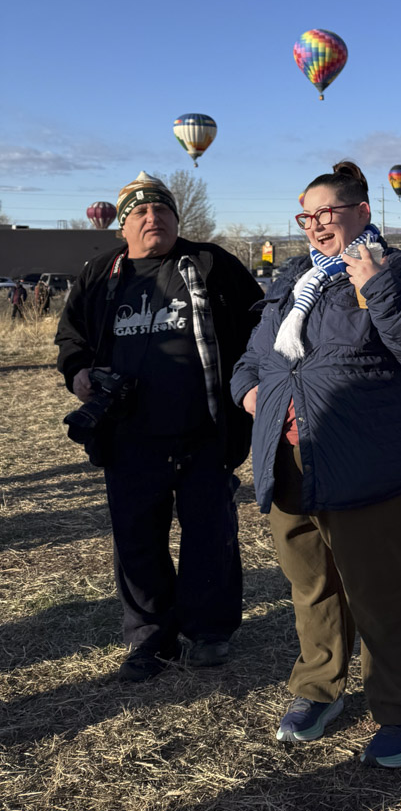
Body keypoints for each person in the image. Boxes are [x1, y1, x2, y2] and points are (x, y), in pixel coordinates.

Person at [231, 161, 401, 765]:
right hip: (288, 461)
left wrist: (378, 284)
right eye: (306, 216)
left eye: (327, 214)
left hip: (369, 462)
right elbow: (253, 358)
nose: (315, 227)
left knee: (382, 595)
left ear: (364, 212)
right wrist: (250, 394)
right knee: (311, 585)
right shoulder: (293, 280)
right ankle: (319, 687)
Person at [55, 172, 260, 682]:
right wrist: (77, 371)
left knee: (209, 537)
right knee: (137, 543)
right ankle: (151, 641)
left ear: (176, 217)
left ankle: (209, 633)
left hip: (204, 432)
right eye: (141, 212)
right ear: (122, 224)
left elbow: (261, 324)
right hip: (129, 439)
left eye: (163, 210)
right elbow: (71, 336)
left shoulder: (212, 263)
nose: (154, 218)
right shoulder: (101, 273)